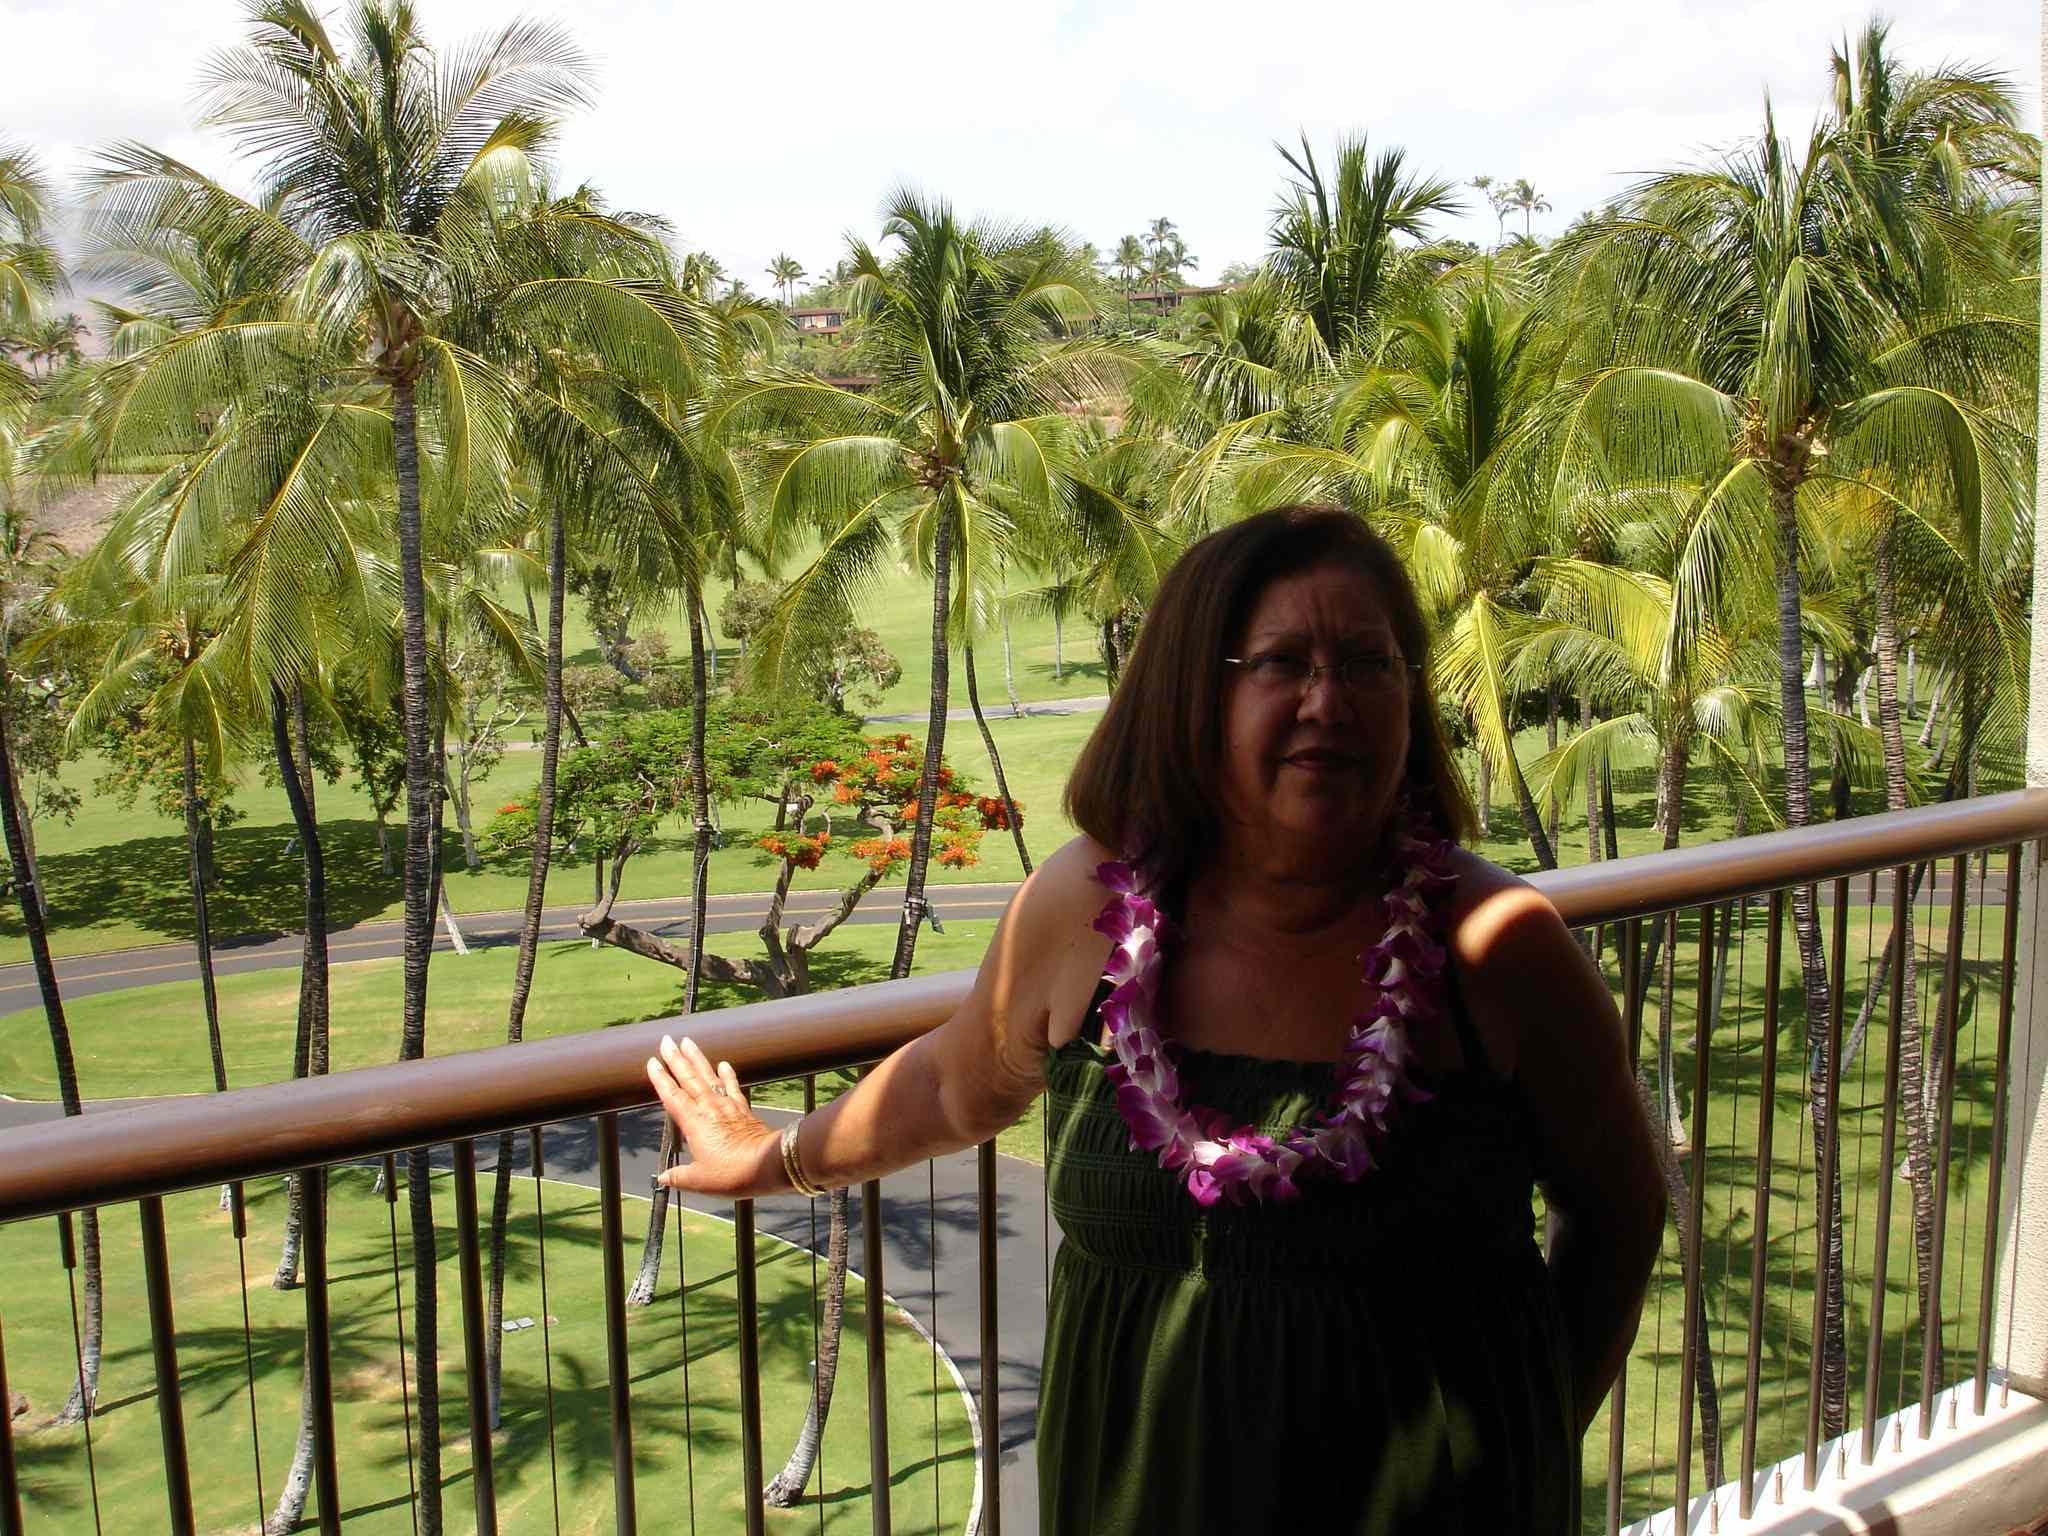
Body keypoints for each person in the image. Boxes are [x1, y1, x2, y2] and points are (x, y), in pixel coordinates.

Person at [647, 504, 1666, 1533]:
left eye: (1368, 662)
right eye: (1280, 663)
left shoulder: (1494, 945)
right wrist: (773, 1159)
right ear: (1194, 693)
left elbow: (1618, 1213)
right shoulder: (1083, 911)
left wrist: (1517, 1450)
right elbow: (955, 1083)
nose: (1330, 700)